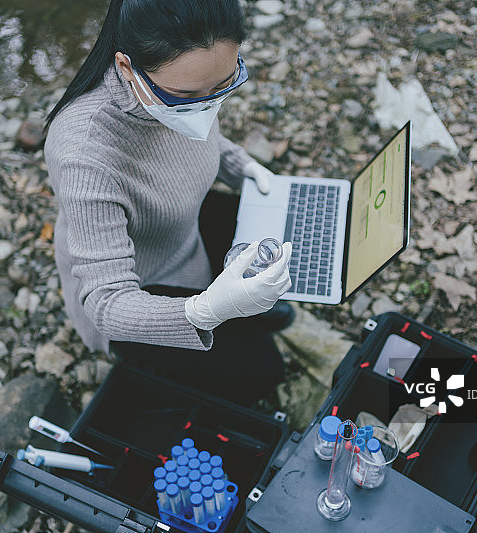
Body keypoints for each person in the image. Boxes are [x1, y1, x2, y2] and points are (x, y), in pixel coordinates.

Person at [43, 0, 294, 406]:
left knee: (287, 231)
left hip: (179, 223)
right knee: (264, 372)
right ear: (126, 68)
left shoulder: (190, 80)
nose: (208, 105)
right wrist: (203, 311)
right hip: (141, 289)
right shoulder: (84, 154)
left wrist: (241, 166)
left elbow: (200, 130)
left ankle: (248, 307)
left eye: (224, 85)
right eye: (188, 96)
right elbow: (106, 303)